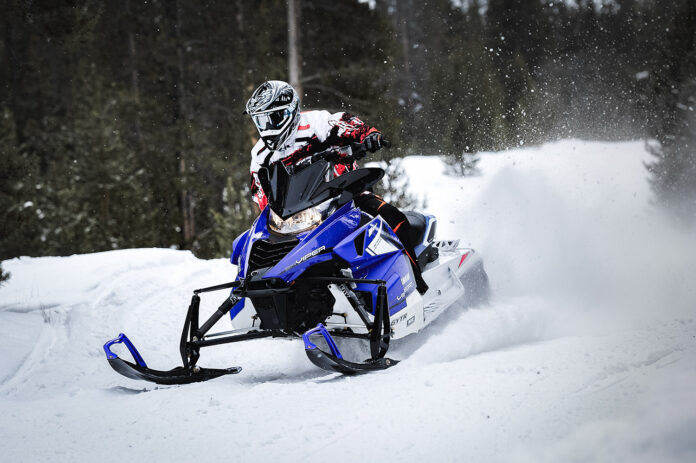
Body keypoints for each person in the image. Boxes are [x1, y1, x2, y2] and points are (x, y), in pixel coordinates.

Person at [244, 80, 428, 295]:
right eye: (261, 121)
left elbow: (346, 123)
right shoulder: (260, 154)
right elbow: (261, 193)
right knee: (260, 246)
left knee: (390, 217)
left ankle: (417, 284)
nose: (267, 128)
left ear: (290, 111)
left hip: (346, 195)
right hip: (298, 213)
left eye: (273, 119)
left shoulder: (317, 123)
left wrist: (368, 136)